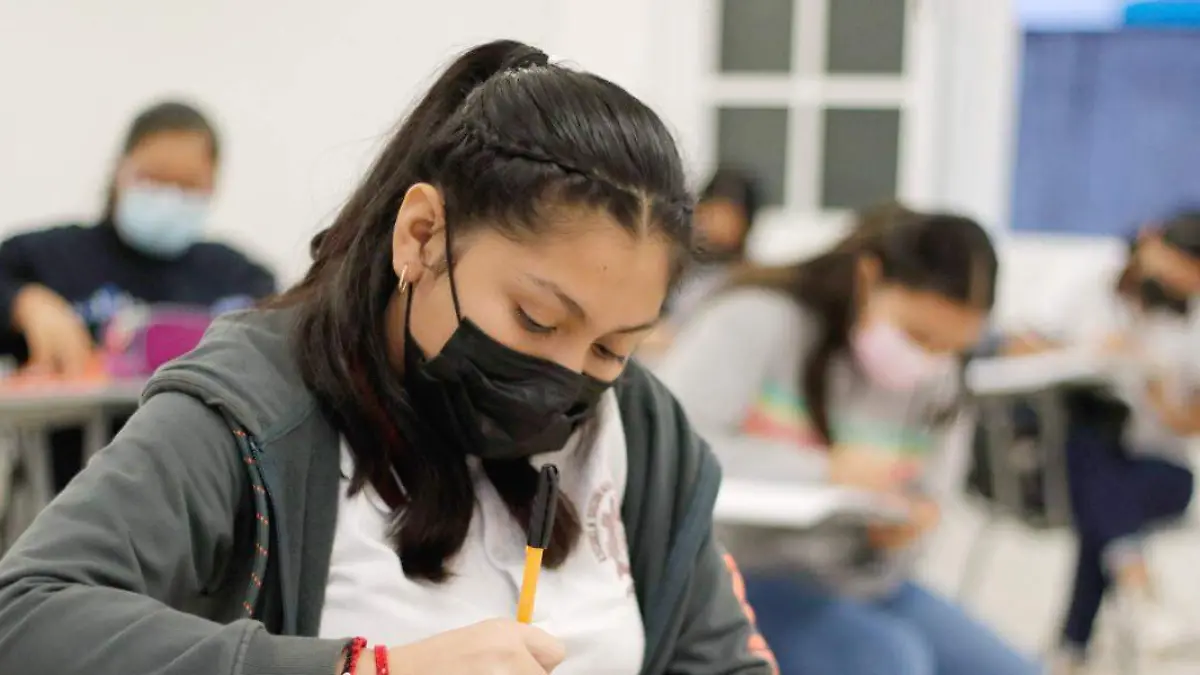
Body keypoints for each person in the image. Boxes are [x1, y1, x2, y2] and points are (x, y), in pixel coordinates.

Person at [0, 40, 777, 675]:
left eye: (614, 345)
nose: (569, 377)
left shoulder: (640, 426)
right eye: (537, 318)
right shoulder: (260, 408)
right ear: (422, 236)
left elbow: (720, 659)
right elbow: (26, 615)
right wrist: (367, 670)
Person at [658, 207, 1040, 675]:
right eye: (918, 334)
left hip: (864, 580)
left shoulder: (941, 378)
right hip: (738, 573)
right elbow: (672, 451)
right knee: (891, 661)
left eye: (950, 347)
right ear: (868, 277)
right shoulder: (756, 321)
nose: (930, 359)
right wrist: (827, 470)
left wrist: (908, 525)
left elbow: (930, 495)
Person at [0, 101, 276, 491]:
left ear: (212, 186)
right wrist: (22, 303)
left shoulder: (239, 278)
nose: (169, 197)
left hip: (197, 502)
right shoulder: (47, 259)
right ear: (120, 170)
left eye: (187, 185)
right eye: (154, 178)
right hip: (63, 500)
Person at [1011, 213, 1200, 674]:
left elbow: (1189, 425)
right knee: (1090, 436)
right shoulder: (1089, 283)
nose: (1176, 281)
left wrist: (1156, 387)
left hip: (1159, 469)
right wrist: (1087, 353)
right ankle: (1137, 593)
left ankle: (1071, 650)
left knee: (1102, 495)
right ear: (1151, 241)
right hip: (1077, 455)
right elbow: (1014, 345)